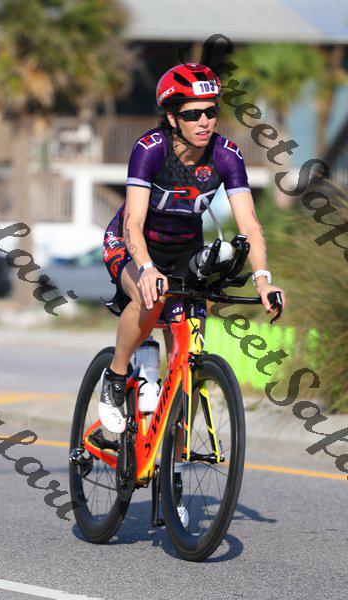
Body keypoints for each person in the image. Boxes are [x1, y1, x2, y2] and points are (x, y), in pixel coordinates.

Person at [99, 63, 286, 434]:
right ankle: (116, 378)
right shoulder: (150, 149)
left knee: (189, 356)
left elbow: (249, 224)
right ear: (172, 118)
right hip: (132, 244)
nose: (204, 121)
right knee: (151, 297)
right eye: (192, 114)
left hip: (185, 253)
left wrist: (263, 279)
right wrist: (146, 268)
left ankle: (174, 450)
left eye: (211, 111)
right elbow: (133, 222)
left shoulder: (226, 154)